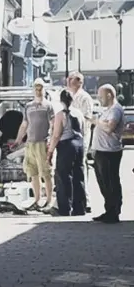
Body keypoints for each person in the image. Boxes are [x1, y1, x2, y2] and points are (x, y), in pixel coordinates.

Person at [14, 78, 54, 210]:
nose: (38, 91)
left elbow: (53, 125)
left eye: (40, 88)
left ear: (44, 89)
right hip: (30, 144)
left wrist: (51, 142)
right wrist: (18, 140)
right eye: (36, 88)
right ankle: (37, 200)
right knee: (33, 173)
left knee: (46, 173)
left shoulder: (48, 106)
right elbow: (24, 124)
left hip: (43, 143)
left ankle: (48, 200)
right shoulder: (28, 106)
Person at [46, 89, 86, 216]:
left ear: (61, 100)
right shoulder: (78, 113)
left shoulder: (60, 114)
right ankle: (79, 207)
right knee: (78, 175)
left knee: (63, 177)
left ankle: (64, 208)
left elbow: (56, 134)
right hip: (79, 144)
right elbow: (83, 129)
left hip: (66, 145)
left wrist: (50, 151)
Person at [91, 84, 125, 224]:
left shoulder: (115, 110)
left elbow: (109, 127)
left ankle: (114, 211)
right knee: (103, 182)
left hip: (109, 152)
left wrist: (98, 122)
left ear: (109, 95)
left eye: (101, 95)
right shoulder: (107, 110)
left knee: (110, 182)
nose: (99, 98)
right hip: (101, 151)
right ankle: (109, 209)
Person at [67, 71, 94, 213]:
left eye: (72, 79)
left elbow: (87, 119)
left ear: (79, 82)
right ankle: (74, 198)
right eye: (69, 79)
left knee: (80, 166)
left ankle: (85, 200)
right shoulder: (69, 96)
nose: (68, 81)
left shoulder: (85, 98)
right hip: (69, 137)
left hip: (80, 136)